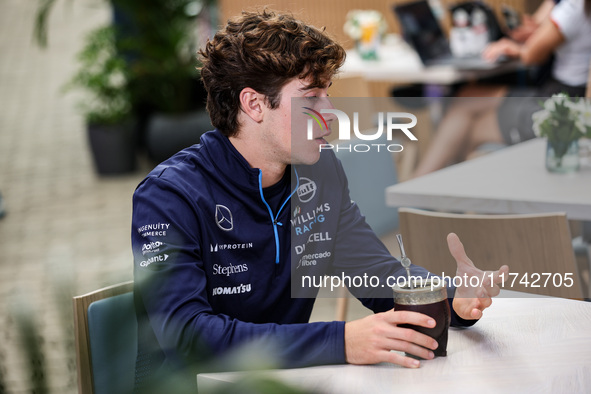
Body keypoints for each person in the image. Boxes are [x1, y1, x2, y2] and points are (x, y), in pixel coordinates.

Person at [131, 9, 508, 392]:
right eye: (311, 98)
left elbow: (379, 277)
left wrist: (448, 299)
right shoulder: (168, 196)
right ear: (254, 104)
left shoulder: (318, 172)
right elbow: (187, 339)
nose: (329, 115)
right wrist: (341, 341)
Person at [413, 0, 591, 177]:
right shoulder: (573, 6)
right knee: (466, 97)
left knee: (468, 129)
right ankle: (427, 188)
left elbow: (532, 54)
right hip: (560, 96)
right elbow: (540, 25)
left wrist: (519, 48)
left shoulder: (573, 7)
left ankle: (422, 187)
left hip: (562, 104)